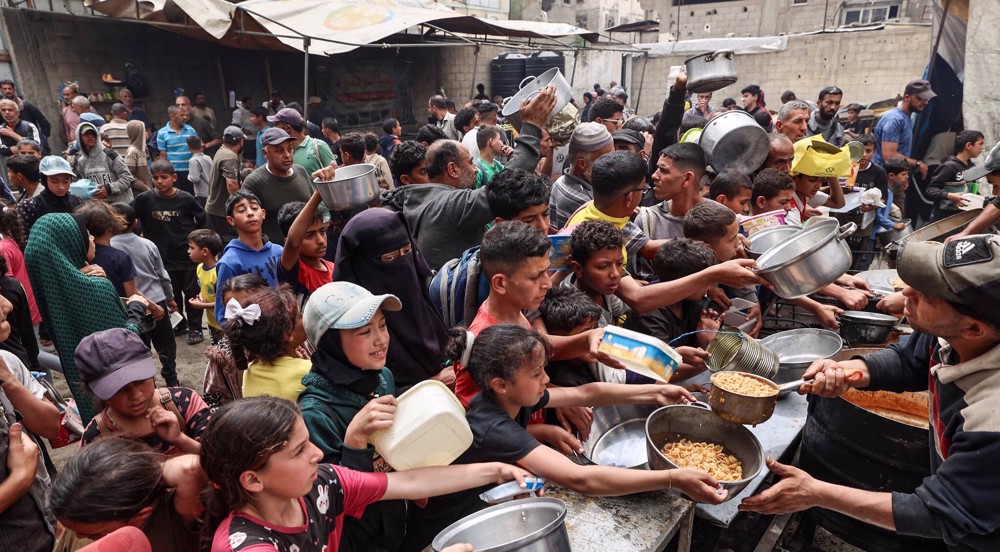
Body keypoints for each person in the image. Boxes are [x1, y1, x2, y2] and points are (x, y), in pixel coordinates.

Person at [742, 235, 1000, 550]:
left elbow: (942, 513)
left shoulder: (991, 417)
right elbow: (910, 361)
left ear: (973, 328)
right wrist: (849, 371)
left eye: (926, 295)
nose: (906, 293)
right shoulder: (956, 333)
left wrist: (814, 493)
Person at [403, 324, 728, 550]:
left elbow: (586, 393)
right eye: (537, 373)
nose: (546, 379)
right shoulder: (493, 426)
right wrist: (672, 478)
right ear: (500, 384)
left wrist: (655, 392)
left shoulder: (515, 397)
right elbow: (580, 478)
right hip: (445, 532)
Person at [202, 396, 529, 552]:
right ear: (253, 480)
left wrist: (496, 470)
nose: (317, 454)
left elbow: (409, 482)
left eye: (309, 442)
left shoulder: (322, 485)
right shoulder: (247, 547)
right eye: (299, 451)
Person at [24, 213, 152, 423]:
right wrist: (137, 307)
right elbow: (123, 341)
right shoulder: (96, 288)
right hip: (125, 390)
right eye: (86, 234)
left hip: (92, 400)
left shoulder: (53, 291)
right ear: (70, 242)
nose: (92, 238)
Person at [334, 208, 451, 391]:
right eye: (389, 258)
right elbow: (368, 396)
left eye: (407, 251)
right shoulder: (352, 328)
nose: (403, 264)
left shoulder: (422, 297)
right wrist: (433, 383)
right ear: (362, 265)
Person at [49, 436, 205, 551]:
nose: (78, 537)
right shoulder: (79, 513)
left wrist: (144, 471)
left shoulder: (173, 518)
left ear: (141, 515)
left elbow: (190, 469)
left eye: (94, 534)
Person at [76, 328, 210, 454]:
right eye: (120, 389)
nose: (135, 395)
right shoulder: (95, 437)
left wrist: (180, 439)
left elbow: (216, 460)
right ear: (95, 391)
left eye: (140, 381)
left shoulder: (185, 402)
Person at [0, 292, 62, 552]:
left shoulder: (7, 361)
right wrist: (19, 480)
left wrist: (9, 381)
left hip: (44, 522)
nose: (7, 304)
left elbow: (51, 426)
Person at [623, 238, 719, 380]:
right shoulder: (650, 313)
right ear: (686, 282)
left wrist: (706, 342)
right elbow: (660, 370)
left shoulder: (693, 301)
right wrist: (711, 359)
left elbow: (694, 352)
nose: (709, 286)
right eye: (703, 281)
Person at [133, 159, 206, 344]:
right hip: (161, 258)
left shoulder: (186, 199)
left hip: (187, 257)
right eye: (155, 177)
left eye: (164, 177)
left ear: (174, 177)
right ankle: (180, 324)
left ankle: (195, 328)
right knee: (171, 294)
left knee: (192, 293)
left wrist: (199, 244)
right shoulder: (145, 199)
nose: (159, 181)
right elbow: (129, 216)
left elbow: (203, 220)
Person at [109, 202, 177, 387]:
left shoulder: (109, 248)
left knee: (140, 347)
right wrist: (170, 298)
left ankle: (148, 384)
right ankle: (172, 379)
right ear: (135, 222)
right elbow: (162, 276)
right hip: (157, 300)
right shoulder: (148, 244)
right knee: (165, 344)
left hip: (130, 305)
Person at [223, 286, 308, 402]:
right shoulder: (307, 372)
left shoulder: (250, 370)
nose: (304, 319)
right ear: (287, 333)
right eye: (300, 316)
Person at [213, 190, 283, 324]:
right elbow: (223, 313)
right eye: (241, 210)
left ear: (263, 213)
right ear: (231, 220)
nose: (250, 213)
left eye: (254, 208)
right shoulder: (229, 263)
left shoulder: (279, 251)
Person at [201, 274, 268, 410]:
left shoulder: (290, 338)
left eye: (249, 307)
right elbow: (213, 400)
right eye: (235, 308)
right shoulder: (222, 355)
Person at [873, 79, 935, 220]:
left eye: (927, 99)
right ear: (907, 97)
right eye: (920, 98)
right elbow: (889, 156)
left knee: (897, 220)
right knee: (886, 220)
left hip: (895, 179)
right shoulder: (895, 120)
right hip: (884, 180)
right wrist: (917, 164)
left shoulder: (905, 117)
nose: (925, 102)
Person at [241, 128, 315, 244]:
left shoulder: (301, 172)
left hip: (306, 246)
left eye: (290, 149)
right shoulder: (254, 182)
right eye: (279, 151)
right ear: (265, 153)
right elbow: (243, 221)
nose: (287, 155)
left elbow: (313, 208)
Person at [277, 191, 333, 303]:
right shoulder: (294, 271)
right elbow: (293, 243)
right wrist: (319, 193)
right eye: (309, 236)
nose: (321, 241)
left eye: (322, 232)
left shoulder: (334, 269)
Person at [76, 200, 137, 298]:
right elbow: (132, 294)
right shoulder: (119, 258)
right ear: (111, 227)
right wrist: (153, 305)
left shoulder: (75, 256)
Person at [926, 130, 985, 222]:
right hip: (944, 218)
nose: (982, 148)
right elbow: (931, 190)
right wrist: (949, 195)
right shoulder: (949, 166)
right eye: (980, 144)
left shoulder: (971, 166)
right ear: (969, 145)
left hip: (963, 216)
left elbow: (972, 190)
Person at [72, 120, 135, 204]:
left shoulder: (110, 155)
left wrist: (108, 188)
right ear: (79, 137)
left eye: (93, 134)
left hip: (120, 205)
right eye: (87, 134)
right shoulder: (80, 161)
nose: (91, 136)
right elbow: (78, 184)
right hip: (99, 207)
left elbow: (128, 178)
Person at [19, 155, 83, 234]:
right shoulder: (31, 206)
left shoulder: (78, 202)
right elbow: (25, 236)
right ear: (44, 180)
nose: (61, 187)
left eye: (65, 181)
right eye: (54, 181)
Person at [205, 126, 244, 242]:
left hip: (214, 209)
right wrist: (239, 206)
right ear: (241, 142)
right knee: (228, 242)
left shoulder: (221, 151)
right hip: (221, 212)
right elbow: (231, 183)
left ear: (223, 139)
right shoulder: (230, 157)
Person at [268, 108, 334, 176]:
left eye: (276, 125)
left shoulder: (318, 146)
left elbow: (334, 174)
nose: (274, 129)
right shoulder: (284, 153)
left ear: (287, 128)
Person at [187, 229, 223, 344]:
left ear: (205, 251)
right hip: (212, 322)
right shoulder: (199, 268)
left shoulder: (218, 272)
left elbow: (225, 302)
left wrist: (202, 305)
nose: (188, 251)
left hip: (223, 323)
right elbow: (204, 288)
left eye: (192, 248)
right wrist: (201, 296)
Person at [156, 106, 198, 194]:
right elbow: (163, 155)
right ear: (172, 117)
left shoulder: (190, 130)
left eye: (185, 115)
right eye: (182, 115)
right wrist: (163, 174)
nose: (185, 117)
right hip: (174, 173)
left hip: (191, 171)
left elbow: (197, 149)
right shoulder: (162, 133)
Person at [123, 120, 151, 194]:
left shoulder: (143, 150)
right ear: (138, 134)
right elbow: (129, 176)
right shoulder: (132, 152)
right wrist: (144, 187)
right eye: (144, 131)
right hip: (139, 193)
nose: (147, 133)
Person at [185, 135, 212, 206]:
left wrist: (188, 176)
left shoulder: (193, 160)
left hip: (202, 193)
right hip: (211, 191)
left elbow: (195, 178)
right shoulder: (208, 157)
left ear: (188, 147)